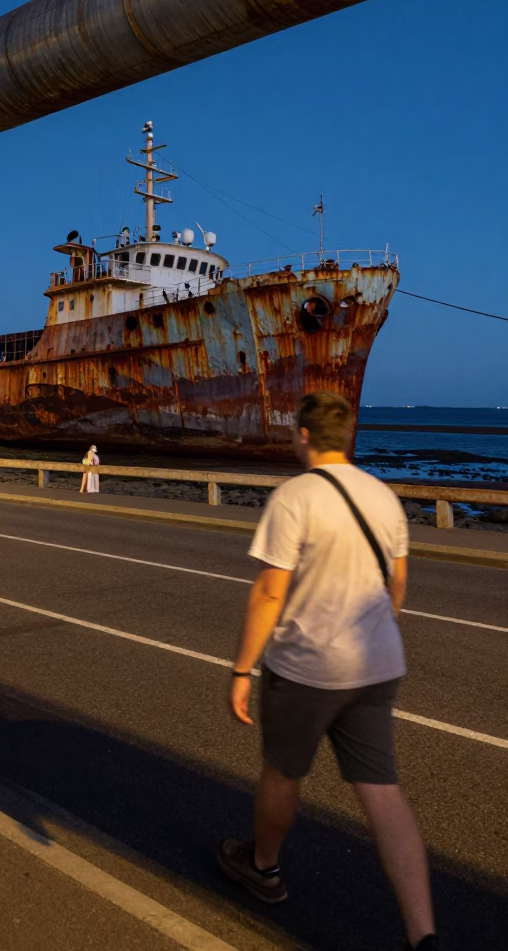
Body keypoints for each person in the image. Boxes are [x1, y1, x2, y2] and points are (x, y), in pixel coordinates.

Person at [219, 391, 438, 951]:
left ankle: (263, 867)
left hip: (308, 669)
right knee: (384, 794)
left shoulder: (296, 497)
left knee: (282, 773)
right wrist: (371, 631)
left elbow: (270, 592)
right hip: (377, 665)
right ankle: (423, 934)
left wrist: (243, 670)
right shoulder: (384, 496)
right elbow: (398, 585)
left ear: (305, 436)